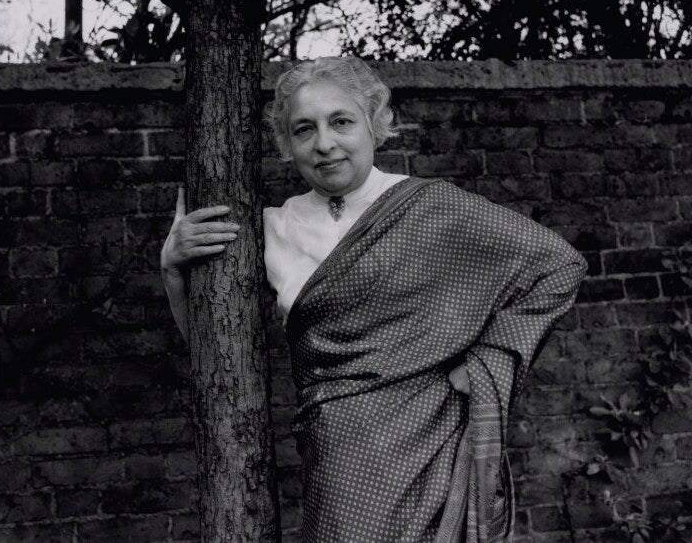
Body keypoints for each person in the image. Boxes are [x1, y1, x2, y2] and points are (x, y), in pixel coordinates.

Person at [160, 57, 588, 543]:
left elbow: (559, 265)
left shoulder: (431, 207)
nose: (325, 143)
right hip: (339, 468)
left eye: (340, 121)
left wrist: (493, 356)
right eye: (304, 129)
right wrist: (172, 270)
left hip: (434, 453)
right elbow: (217, 360)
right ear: (287, 145)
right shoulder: (267, 231)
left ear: (373, 123)